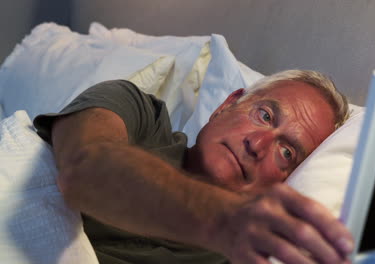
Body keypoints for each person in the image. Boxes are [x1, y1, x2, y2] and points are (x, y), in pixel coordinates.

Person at [34, 69, 353, 264]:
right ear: (226, 105)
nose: (256, 145)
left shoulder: (240, 254)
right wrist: (223, 219)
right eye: (265, 115)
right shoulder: (137, 114)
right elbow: (85, 168)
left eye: (286, 153)